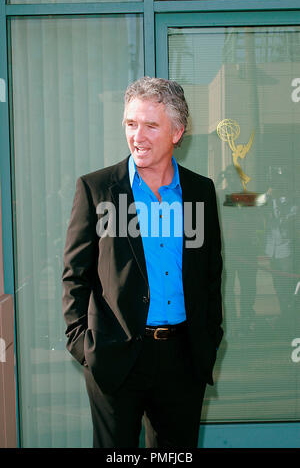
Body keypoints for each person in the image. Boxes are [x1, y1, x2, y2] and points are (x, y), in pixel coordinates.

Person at [62, 76, 223, 448]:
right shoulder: (97, 189)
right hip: (115, 357)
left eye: (151, 125)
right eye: (131, 124)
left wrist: (209, 338)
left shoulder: (200, 191)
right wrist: (82, 344)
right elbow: (75, 274)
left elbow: (211, 274)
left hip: (183, 359)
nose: (138, 136)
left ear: (177, 132)